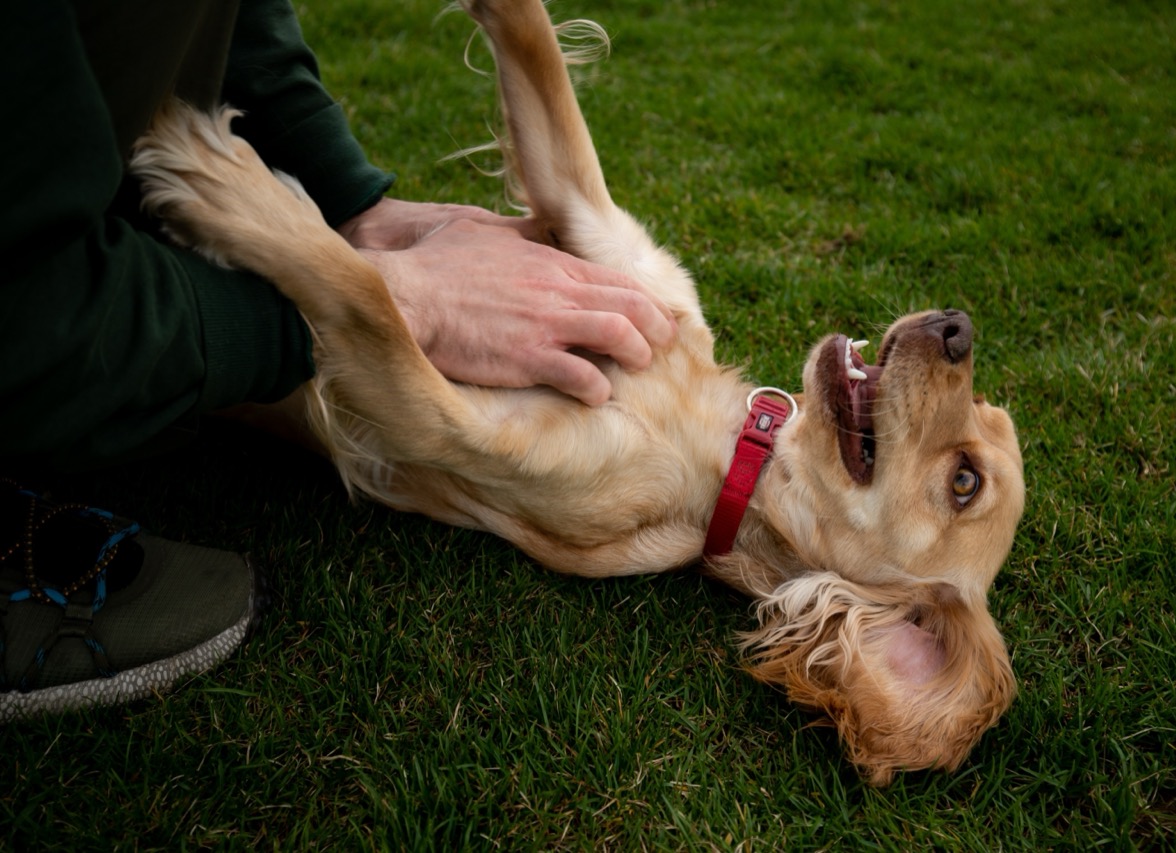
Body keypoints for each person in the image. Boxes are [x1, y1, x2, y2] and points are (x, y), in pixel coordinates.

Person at [0, 0, 675, 721]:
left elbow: (434, 425)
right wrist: (405, 296)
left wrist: (351, 204)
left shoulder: (638, 506)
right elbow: (23, 309)